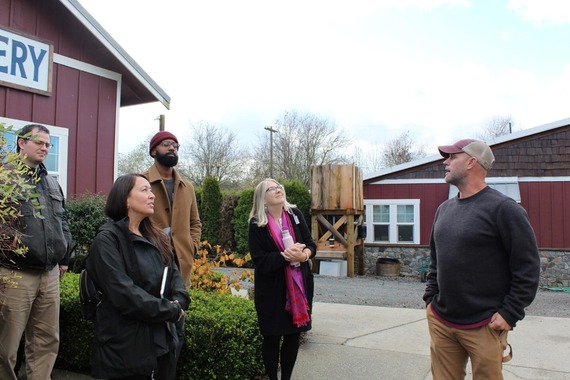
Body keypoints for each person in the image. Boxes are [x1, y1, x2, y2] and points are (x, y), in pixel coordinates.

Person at [423, 139, 540, 379]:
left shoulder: (504, 209)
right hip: (442, 320)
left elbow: (527, 268)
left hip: (485, 324)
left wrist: (510, 313)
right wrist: (430, 300)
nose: (445, 162)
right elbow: (436, 260)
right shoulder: (443, 210)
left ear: (471, 162)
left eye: (452, 157)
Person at [86, 174, 190, 380]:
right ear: (125, 198)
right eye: (144, 190)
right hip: (125, 350)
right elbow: (123, 293)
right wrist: (169, 310)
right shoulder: (107, 240)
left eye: (151, 191)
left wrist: (179, 301)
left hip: (162, 344)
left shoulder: (157, 237)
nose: (152, 196)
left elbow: (174, 277)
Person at [0, 124, 72, 380]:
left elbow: (62, 221)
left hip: (49, 275)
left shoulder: (52, 183)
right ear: (21, 143)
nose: (44, 148)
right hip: (15, 273)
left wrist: (64, 257)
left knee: (45, 341)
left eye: (48, 144)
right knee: (5, 345)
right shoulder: (4, 179)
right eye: (38, 142)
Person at [248, 178, 316, 380]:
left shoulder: (295, 215)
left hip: (298, 287)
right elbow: (260, 261)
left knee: (293, 336)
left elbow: (311, 244)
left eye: (279, 187)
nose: (278, 190)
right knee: (271, 337)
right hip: (271, 291)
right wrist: (286, 256)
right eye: (272, 189)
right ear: (263, 198)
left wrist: (303, 255)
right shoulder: (257, 224)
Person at [143, 130, 201, 361]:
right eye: (166, 144)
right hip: (150, 267)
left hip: (181, 269)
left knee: (178, 328)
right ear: (153, 150)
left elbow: (195, 222)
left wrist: (192, 246)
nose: (172, 148)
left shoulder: (187, 186)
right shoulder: (141, 182)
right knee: (150, 330)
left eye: (176, 145)